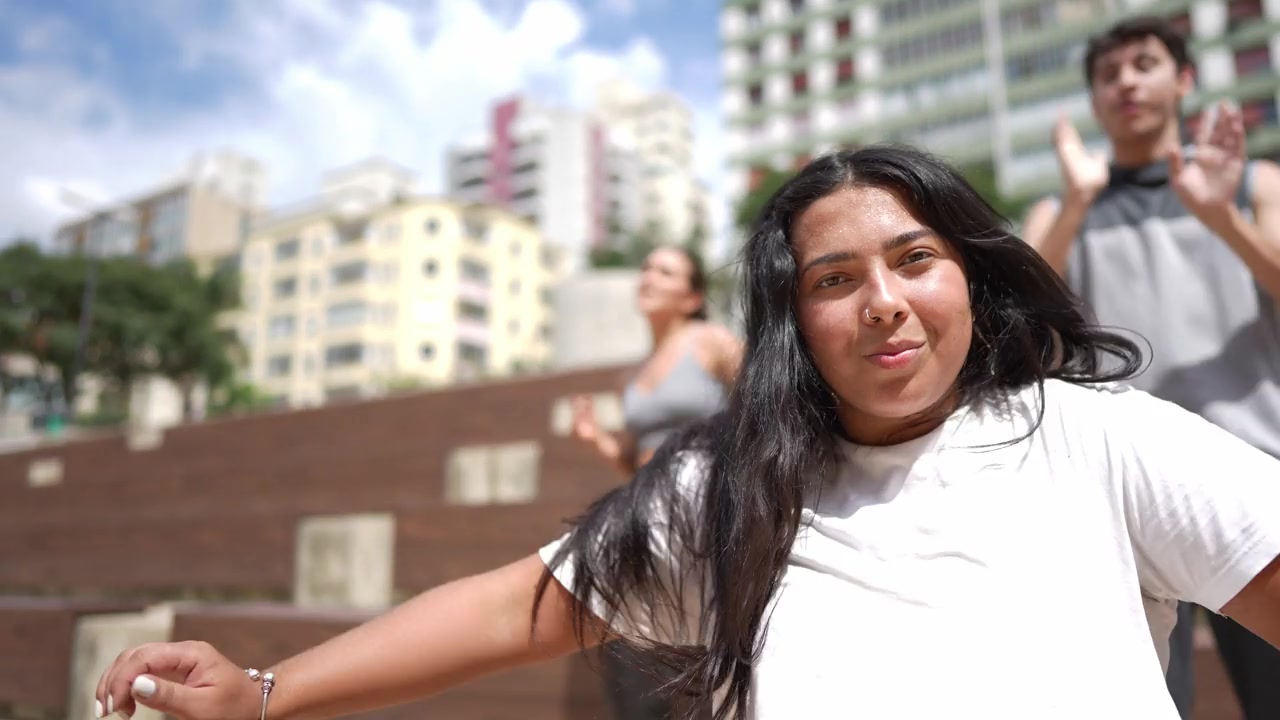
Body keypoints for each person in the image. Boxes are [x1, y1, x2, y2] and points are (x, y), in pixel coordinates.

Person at [94, 146, 1280, 720]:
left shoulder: (1097, 438)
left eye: (914, 258)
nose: (881, 301)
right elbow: (517, 608)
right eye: (834, 278)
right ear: (791, 320)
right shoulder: (731, 482)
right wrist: (264, 693)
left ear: (969, 277)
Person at [1021, 16, 1280, 719]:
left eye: (1144, 64)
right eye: (1109, 74)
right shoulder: (1062, 208)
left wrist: (1221, 217)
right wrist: (1077, 202)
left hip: (1254, 471)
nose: (1126, 83)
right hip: (1125, 494)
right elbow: (1015, 326)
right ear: (1093, 100)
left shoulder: (1252, 184)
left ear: (1184, 79)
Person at [569, 244, 741, 720]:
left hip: (706, 515)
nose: (648, 276)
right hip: (646, 516)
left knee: (713, 648)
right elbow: (634, 461)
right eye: (646, 267)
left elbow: (763, 408)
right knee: (635, 655)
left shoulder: (712, 341)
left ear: (691, 297)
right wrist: (597, 439)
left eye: (665, 271)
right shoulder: (632, 373)